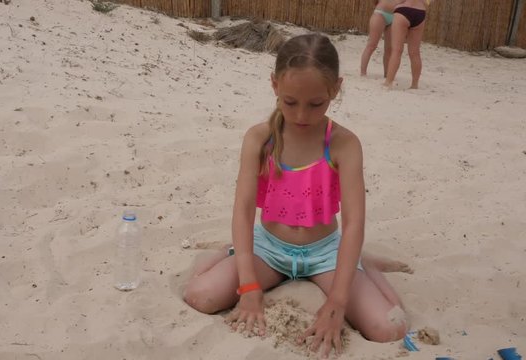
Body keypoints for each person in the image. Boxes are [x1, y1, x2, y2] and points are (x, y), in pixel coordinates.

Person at [183, 33, 411, 358]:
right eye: (291, 102)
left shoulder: (345, 144)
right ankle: (229, 252)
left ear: (335, 88)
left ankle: (364, 265)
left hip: (325, 253)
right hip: (268, 249)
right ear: (275, 86)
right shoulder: (260, 140)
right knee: (200, 296)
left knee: (389, 327)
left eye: (316, 104)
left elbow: (355, 223)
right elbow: (244, 211)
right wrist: (248, 286)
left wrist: (337, 302)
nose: (302, 115)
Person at [384, 0, 431, 88]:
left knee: (396, 50)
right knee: (415, 52)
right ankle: (414, 84)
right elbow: (427, 2)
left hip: (403, 10)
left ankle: (388, 82)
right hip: (419, 12)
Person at [360, 0, 405, 77]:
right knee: (371, 45)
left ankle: (386, 74)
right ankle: (363, 72)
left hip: (395, 16)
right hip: (381, 13)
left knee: (389, 49)